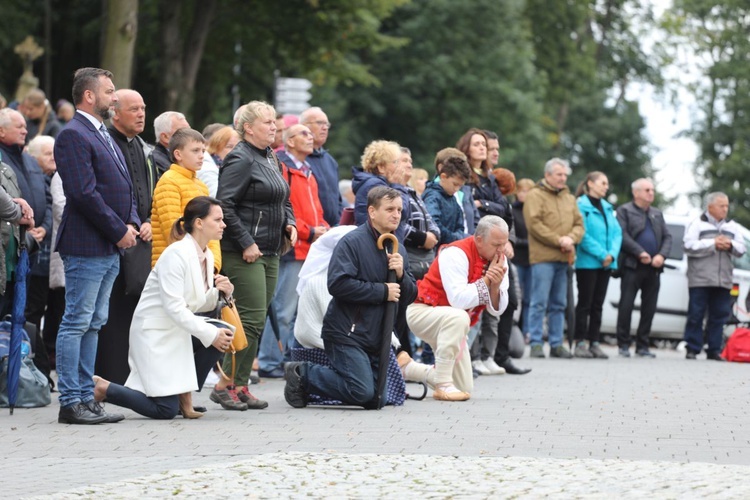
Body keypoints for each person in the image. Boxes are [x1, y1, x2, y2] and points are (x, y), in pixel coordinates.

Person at [92, 197, 236, 419]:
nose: (223, 224)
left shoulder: (206, 254)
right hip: (155, 334)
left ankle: (182, 395)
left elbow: (197, 302)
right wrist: (210, 333)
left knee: (223, 333)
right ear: (199, 223)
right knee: (165, 411)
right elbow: (175, 308)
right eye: (217, 219)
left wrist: (221, 292)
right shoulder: (176, 254)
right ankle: (104, 388)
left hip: (176, 330)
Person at [54, 67, 140, 425]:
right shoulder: (73, 135)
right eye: (109, 91)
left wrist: (132, 220)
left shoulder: (102, 133)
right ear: (89, 96)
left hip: (109, 245)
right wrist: (119, 229)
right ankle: (70, 400)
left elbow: (124, 184)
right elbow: (83, 194)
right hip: (87, 243)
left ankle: (87, 397)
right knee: (76, 321)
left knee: (94, 322)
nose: (115, 96)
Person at [283, 186, 417, 409]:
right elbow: (338, 284)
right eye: (390, 209)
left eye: (399, 210)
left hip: (377, 335)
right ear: (372, 212)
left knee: (377, 400)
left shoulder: (398, 249)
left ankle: (318, 380)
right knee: (362, 391)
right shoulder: (351, 242)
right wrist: (382, 291)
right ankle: (302, 372)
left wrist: (402, 275)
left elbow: (409, 295)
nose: (396, 215)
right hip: (346, 333)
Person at [213, 101, 296, 410]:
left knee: (258, 319)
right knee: (247, 319)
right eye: (267, 123)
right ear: (248, 128)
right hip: (244, 251)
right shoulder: (240, 158)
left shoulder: (269, 156)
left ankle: (241, 384)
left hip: (271, 248)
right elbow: (225, 205)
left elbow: (283, 198)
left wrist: (290, 223)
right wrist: (246, 241)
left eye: (274, 122)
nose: (274, 127)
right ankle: (224, 383)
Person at [405, 216, 510, 401]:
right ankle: (443, 385)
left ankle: (407, 368)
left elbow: (497, 310)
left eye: (504, 244)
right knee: (459, 316)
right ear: (479, 239)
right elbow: (458, 300)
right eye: (496, 244)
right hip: (422, 312)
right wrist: (486, 281)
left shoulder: (499, 258)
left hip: (452, 322)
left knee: (464, 387)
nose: (501, 250)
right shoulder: (455, 253)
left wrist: (494, 286)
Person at [95, 89, 158, 385]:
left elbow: (150, 191)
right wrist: (123, 226)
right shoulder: (106, 142)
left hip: (141, 238)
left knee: (136, 308)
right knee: (110, 312)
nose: (141, 114)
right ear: (115, 113)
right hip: (112, 236)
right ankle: (108, 377)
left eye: (143, 108)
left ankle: (131, 376)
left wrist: (147, 220)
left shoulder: (142, 147)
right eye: (134, 109)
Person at [257, 123, 328, 378]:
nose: (311, 137)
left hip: (310, 249)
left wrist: (324, 227)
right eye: (304, 134)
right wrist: (310, 231)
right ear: (288, 142)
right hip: (293, 248)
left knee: (298, 309)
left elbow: (316, 209)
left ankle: (285, 356)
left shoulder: (307, 170)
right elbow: (285, 208)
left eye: (311, 133)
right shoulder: (283, 167)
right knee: (282, 309)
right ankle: (268, 361)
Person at [457, 129, 512, 376]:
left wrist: (484, 204)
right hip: (476, 241)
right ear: (466, 147)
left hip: (496, 242)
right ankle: (473, 356)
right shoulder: (464, 175)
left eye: (484, 145)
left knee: (500, 297)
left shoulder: (489, 176)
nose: (483, 149)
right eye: (478, 144)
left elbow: (503, 207)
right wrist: (486, 208)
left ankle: (489, 355)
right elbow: (470, 210)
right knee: (475, 298)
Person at [524, 158, 584, 359]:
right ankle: (536, 343)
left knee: (560, 303)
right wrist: (560, 240)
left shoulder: (569, 198)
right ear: (547, 175)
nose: (563, 178)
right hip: (543, 258)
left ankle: (557, 343)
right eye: (559, 174)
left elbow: (579, 224)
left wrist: (571, 238)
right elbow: (534, 224)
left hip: (565, 257)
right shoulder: (535, 195)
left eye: (565, 175)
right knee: (539, 302)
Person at [0, 109, 52, 318]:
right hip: (8, 246)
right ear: (1, 131)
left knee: (22, 312)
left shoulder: (29, 159)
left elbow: (47, 199)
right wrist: (17, 213)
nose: (25, 130)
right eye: (19, 126)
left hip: (28, 247)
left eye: (25, 126)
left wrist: (45, 228)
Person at [683, 193, 746, 360]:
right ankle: (692, 348)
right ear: (710, 207)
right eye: (721, 206)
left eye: (726, 206)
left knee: (719, 315)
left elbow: (742, 249)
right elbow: (688, 245)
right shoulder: (697, 224)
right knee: (696, 314)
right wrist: (713, 243)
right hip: (700, 278)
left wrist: (730, 244)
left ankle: (714, 350)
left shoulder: (733, 227)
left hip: (723, 279)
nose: (725, 209)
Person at [150, 128, 221, 271]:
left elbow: (212, 231)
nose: (202, 156)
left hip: (199, 266)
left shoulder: (201, 185)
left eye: (203, 150)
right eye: (195, 151)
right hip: (173, 266)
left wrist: (213, 265)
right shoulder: (169, 181)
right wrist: (196, 263)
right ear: (178, 154)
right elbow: (173, 230)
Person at [615, 178, 672, 358]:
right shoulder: (625, 211)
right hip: (633, 266)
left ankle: (642, 345)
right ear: (636, 192)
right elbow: (622, 236)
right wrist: (640, 252)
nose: (651, 193)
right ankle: (623, 344)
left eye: (652, 190)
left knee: (649, 307)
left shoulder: (657, 213)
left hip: (653, 268)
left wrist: (661, 255)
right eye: (647, 190)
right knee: (626, 305)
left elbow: (668, 237)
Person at [573, 172, 622, 359]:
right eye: (603, 183)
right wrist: (602, 254)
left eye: (607, 183)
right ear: (590, 184)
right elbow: (582, 234)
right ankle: (580, 342)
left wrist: (612, 254)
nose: (606, 187)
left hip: (606, 264)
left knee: (598, 305)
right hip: (588, 263)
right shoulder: (580, 206)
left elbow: (617, 233)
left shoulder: (608, 208)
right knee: (585, 304)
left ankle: (594, 342)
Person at [352, 140, 412, 242]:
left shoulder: (376, 183)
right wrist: (398, 185)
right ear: (381, 167)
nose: (400, 166)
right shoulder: (375, 185)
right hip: (378, 245)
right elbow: (402, 211)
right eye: (395, 162)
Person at [300, 107, 341, 227]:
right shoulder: (298, 159)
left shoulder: (330, 161)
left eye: (326, 124)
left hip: (332, 228)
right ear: (304, 126)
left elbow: (337, 198)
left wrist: (340, 222)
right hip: (309, 230)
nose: (325, 128)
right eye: (319, 123)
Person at [422, 151, 471, 247]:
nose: (456, 189)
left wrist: (457, 238)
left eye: (460, 186)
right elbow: (433, 224)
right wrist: (453, 238)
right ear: (443, 176)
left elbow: (460, 226)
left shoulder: (452, 199)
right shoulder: (432, 196)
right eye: (455, 184)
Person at [510, 178, 535, 339]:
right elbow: (512, 235)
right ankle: (515, 329)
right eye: (521, 190)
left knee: (530, 299)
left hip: (533, 259)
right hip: (517, 258)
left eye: (527, 191)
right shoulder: (512, 210)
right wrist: (527, 242)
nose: (523, 194)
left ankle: (526, 330)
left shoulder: (535, 212)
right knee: (517, 297)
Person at [199, 126, 240, 198]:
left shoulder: (229, 166)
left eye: (238, 147)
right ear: (216, 147)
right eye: (229, 146)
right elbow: (216, 197)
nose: (235, 151)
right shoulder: (207, 168)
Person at [151, 111, 190, 176]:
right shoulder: (157, 162)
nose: (190, 135)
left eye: (189, 130)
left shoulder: (185, 157)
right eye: (183, 131)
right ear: (165, 137)